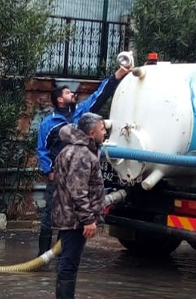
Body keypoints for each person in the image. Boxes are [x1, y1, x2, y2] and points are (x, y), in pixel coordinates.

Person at [36, 64, 131, 255]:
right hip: (59, 179)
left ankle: (60, 254)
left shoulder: (80, 115)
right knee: (49, 216)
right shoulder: (49, 123)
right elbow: (41, 149)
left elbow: (98, 95)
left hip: (79, 178)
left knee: (70, 216)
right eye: (68, 93)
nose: (73, 94)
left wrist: (117, 76)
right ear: (60, 99)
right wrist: (49, 171)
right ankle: (42, 256)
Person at [51, 113, 107, 299]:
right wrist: (88, 219)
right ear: (91, 133)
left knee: (67, 259)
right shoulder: (81, 155)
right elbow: (78, 190)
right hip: (74, 219)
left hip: (69, 215)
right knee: (69, 261)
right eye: (102, 129)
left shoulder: (76, 150)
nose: (105, 132)